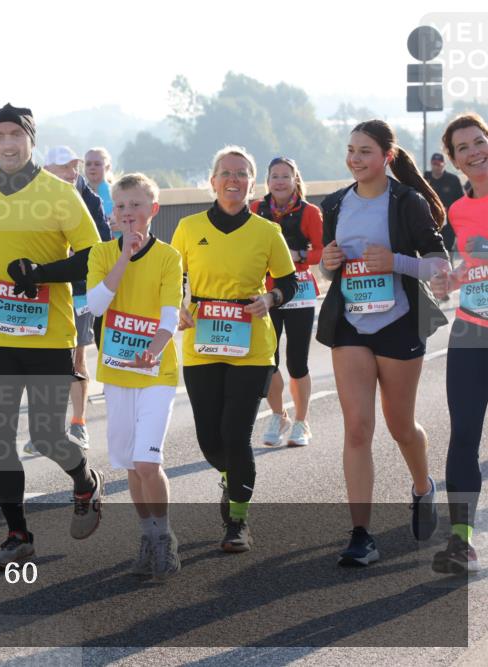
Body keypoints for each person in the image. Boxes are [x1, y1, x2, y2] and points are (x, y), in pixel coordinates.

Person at [0, 104, 105, 564]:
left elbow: (94, 255)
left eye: (16, 134)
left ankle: (84, 482)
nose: (8, 143)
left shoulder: (59, 193)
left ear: (30, 140)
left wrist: (41, 273)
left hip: (49, 334)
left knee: (48, 434)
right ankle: (18, 534)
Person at [316, 119, 449, 567]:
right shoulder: (334, 203)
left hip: (398, 323)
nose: (355, 159)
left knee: (401, 427)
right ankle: (361, 535)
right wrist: (328, 264)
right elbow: (327, 270)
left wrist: (395, 262)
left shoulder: (407, 202)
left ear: (386, 157)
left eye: (365, 151)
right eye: (351, 150)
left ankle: (422, 486)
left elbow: (438, 266)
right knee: (357, 427)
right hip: (350, 324)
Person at [171, 146, 297, 553]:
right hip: (202, 340)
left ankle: (238, 520)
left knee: (236, 433)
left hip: (251, 342)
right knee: (210, 438)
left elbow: (289, 282)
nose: (233, 179)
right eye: (225, 172)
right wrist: (176, 306)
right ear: (212, 181)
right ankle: (233, 477)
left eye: (241, 174)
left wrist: (272, 297)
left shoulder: (267, 231)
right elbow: (172, 278)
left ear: (251, 182)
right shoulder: (188, 228)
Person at [87, 173, 182, 579]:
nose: (128, 214)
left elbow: (170, 316)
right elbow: (95, 304)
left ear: (152, 210)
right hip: (117, 372)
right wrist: (124, 256)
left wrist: (153, 350)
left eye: (136, 206)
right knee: (128, 463)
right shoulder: (101, 254)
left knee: (147, 462)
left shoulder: (168, 257)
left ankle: (164, 540)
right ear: (113, 214)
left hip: (156, 372)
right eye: (121, 207)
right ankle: (146, 535)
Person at [430, 112, 488, 574]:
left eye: (480, 140)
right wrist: (451, 278)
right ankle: (461, 541)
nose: (475, 151)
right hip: (471, 329)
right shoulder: (459, 210)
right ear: (453, 160)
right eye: (464, 147)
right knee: (464, 435)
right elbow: (472, 264)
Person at [23, 146, 110, 454]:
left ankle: (79, 424)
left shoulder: (89, 198)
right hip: (45, 288)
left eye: (75, 167)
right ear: (46, 170)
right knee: (44, 361)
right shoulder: (32, 199)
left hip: (80, 289)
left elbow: (102, 246)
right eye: (64, 168)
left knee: (75, 358)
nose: (73, 173)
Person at [250, 158, 324, 447]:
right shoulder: (256, 209)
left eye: (285, 176)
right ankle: (279, 415)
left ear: (295, 180)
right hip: (265, 292)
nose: (279, 181)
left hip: (300, 292)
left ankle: (302, 422)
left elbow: (323, 250)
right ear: (267, 181)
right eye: (274, 176)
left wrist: (300, 256)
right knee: (267, 360)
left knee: (297, 361)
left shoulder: (310, 212)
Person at [424, 152, 465, 256]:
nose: (436, 167)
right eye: (434, 164)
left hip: (449, 223)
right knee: (431, 250)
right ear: (431, 164)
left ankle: (449, 269)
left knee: (447, 248)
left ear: (444, 164)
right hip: (430, 221)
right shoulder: (425, 178)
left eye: (439, 164)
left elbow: (461, 201)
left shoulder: (452, 180)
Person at [85, 147, 115, 219]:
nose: (92, 167)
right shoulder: (78, 193)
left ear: (107, 167)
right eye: (88, 164)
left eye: (97, 164)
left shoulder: (117, 194)